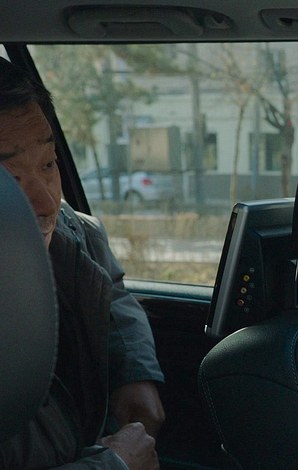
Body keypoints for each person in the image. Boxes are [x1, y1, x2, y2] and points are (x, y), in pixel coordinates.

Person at [0, 57, 162, 468]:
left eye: (48, 164)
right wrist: (115, 465)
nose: (46, 201)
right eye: (8, 179)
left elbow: (110, 291)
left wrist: (133, 372)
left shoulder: (75, 232)